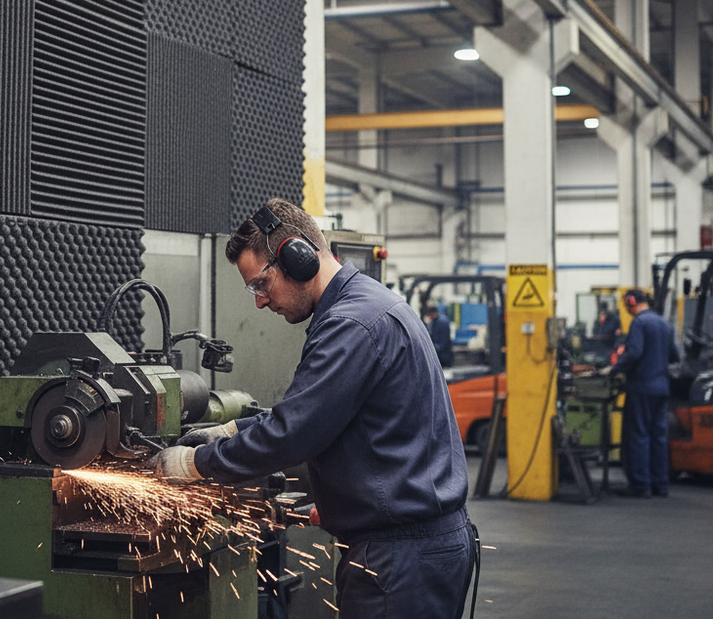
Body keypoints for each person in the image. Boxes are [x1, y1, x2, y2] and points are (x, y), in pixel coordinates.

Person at [152, 198, 475, 619]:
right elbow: (315, 411)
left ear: (298, 256)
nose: (260, 303)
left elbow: (293, 434)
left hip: (400, 559)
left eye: (260, 284)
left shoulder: (351, 324)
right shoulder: (364, 305)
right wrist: (231, 430)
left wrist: (194, 463)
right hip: (412, 549)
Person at [610, 288, 680, 497]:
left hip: (642, 388)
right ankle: (661, 485)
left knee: (639, 435)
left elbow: (635, 353)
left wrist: (615, 370)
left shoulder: (639, 323)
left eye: (626, 305)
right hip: (662, 388)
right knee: (658, 436)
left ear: (631, 302)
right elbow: (675, 355)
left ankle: (641, 486)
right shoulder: (663, 323)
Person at [425, 302, 454, 367]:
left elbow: (442, 341)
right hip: (442, 352)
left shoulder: (441, 322)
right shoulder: (436, 321)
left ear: (432, 314)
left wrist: (432, 349)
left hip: (443, 355)